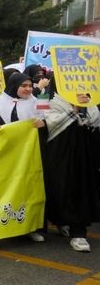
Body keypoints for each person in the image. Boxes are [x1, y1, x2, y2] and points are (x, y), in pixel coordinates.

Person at [43, 89, 100, 252]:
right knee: (60, 189)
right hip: (59, 155)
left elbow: (94, 121)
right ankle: (62, 221)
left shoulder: (89, 101)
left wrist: (84, 107)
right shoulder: (51, 101)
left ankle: (79, 233)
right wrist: (72, 110)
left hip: (83, 157)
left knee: (81, 190)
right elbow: (45, 121)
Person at [0, 72, 46, 242]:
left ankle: (32, 227)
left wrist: (43, 124)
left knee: (30, 189)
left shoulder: (39, 101)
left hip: (29, 154)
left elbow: (50, 120)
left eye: (30, 86)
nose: (28, 89)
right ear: (14, 85)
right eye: (24, 86)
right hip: (7, 155)